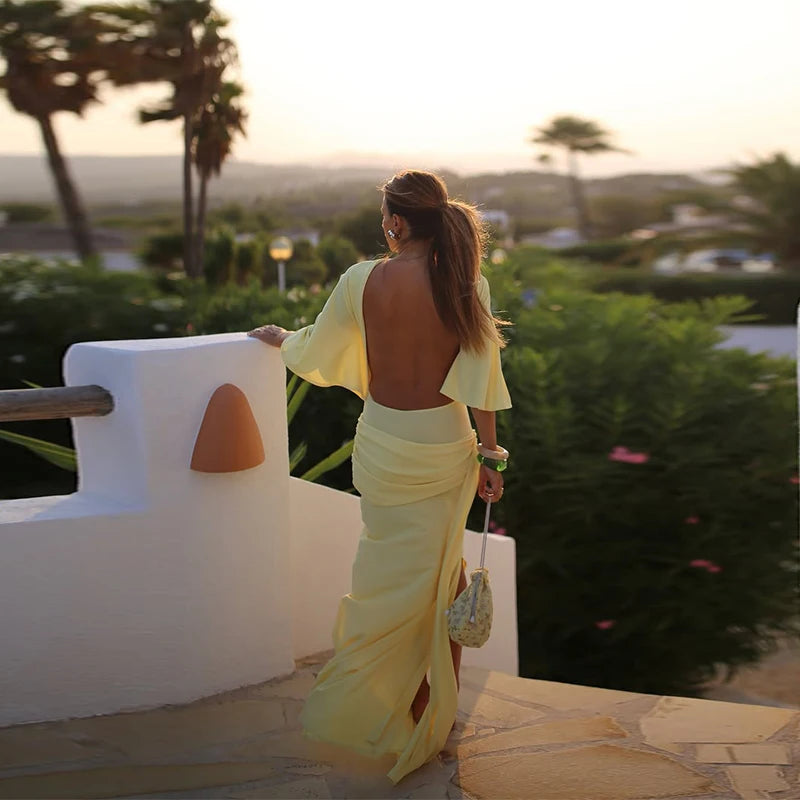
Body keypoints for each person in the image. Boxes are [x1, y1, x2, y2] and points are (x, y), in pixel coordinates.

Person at [247, 169, 512, 785]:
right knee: (441, 575)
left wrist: (282, 337)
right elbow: (482, 381)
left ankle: (389, 707)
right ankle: (432, 714)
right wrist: (492, 458)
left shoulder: (360, 280)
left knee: (384, 578)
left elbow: (317, 349)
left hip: (387, 444)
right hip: (447, 446)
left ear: (395, 222)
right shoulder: (465, 284)